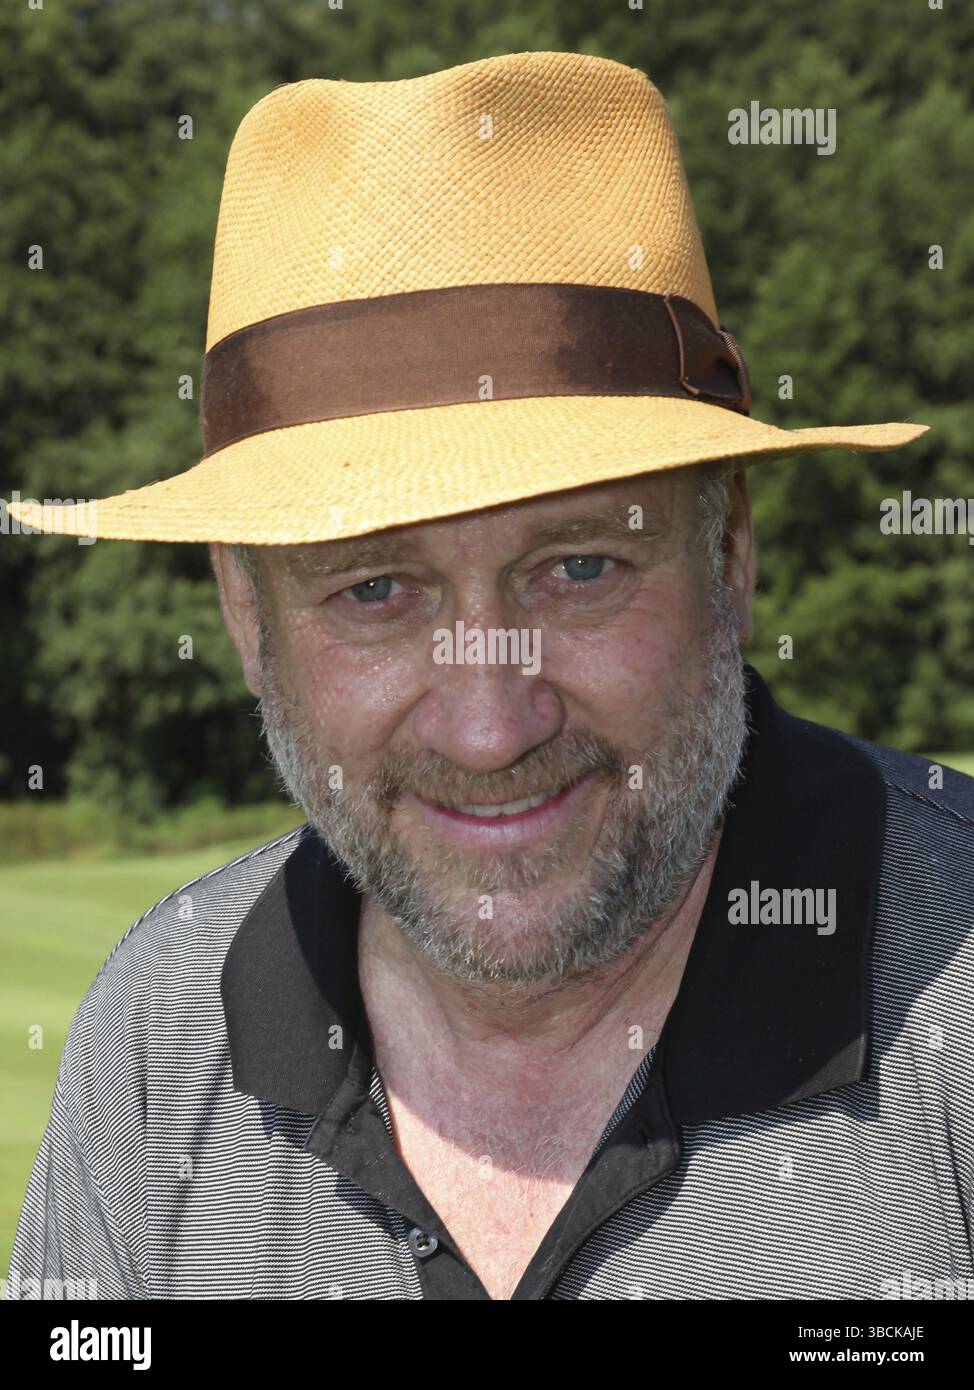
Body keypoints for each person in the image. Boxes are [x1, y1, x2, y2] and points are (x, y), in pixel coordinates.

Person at [8, 51, 970, 1303]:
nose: (485, 724)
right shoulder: (154, 1037)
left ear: (728, 549)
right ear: (244, 614)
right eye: (373, 589)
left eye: (576, 568)